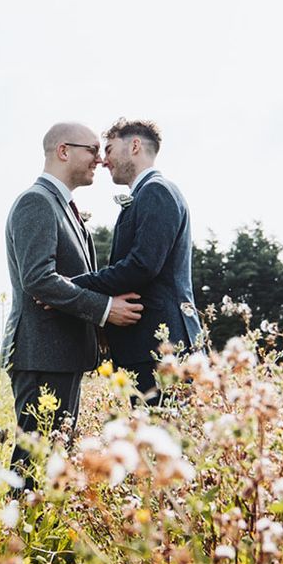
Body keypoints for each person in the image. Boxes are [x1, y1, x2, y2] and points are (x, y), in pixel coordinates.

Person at [2, 121, 143, 478]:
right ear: (64, 151)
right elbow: (38, 279)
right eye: (92, 150)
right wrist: (106, 310)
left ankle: (34, 532)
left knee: (53, 461)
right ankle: (16, 533)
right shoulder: (36, 202)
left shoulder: (65, 207)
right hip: (42, 355)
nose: (100, 159)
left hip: (61, 355)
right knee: (33, 464)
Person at [73, 118, 202, 404]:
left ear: (134, 146)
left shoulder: (156, 191)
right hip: (150, 348)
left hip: (161, 348)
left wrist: (70, 287)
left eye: (108, 149)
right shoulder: (147, 193)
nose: (104, 161)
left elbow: (141, 266)